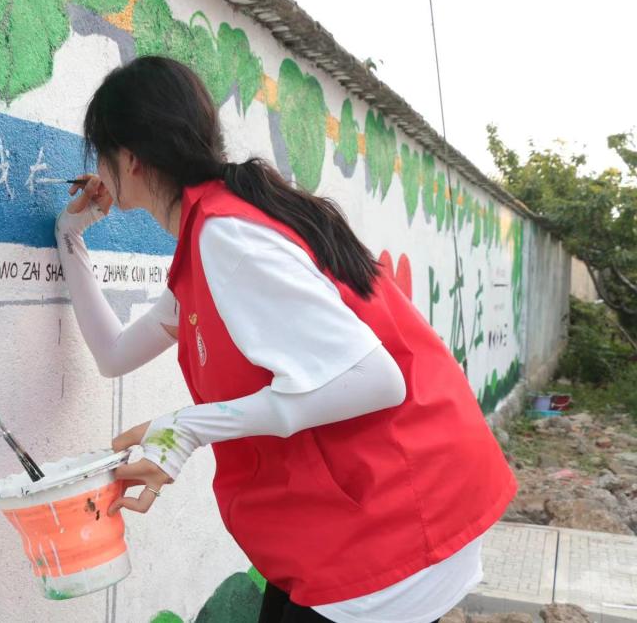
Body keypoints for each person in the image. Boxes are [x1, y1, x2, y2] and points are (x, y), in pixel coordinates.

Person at [54, 55, 516, 623]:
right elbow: (114, 354)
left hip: (396, 525)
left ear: (128, 158)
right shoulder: (218, 230)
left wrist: (190, 427)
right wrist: (70, 235)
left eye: (101, 153)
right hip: (384, 513)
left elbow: (374, 379)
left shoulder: (227, 238)